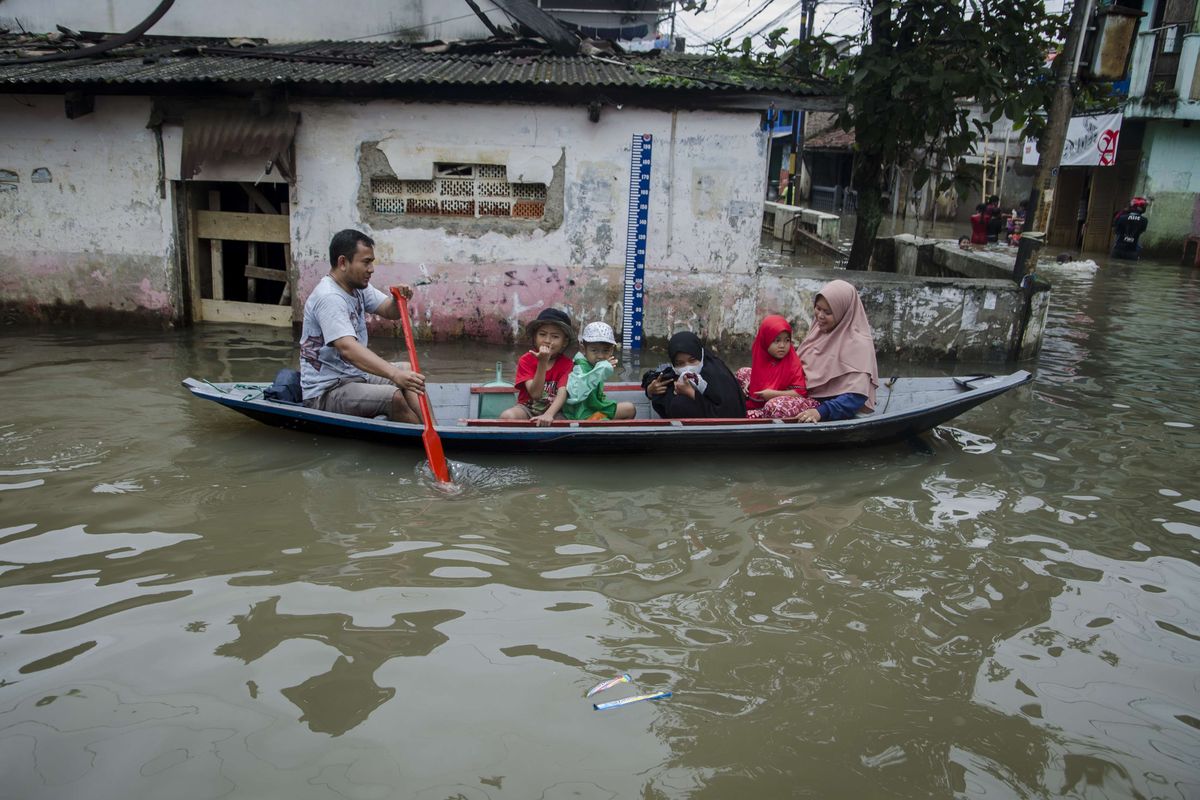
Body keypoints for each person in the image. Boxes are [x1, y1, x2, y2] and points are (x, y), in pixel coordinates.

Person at [299, 229, 424, 423]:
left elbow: (390, 312)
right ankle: (419, 442)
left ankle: (436, 432)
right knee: (394, 397)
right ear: (343, 262)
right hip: (327, 390)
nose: (371, 269)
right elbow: (348, 349)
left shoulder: (357, 287)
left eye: (371, 262)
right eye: (366, 262)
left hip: (353, 376)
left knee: (410, 372)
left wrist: (398, 300)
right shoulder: (329, 297)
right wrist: (394, 374)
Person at [793, 279, 879, 423]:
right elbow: (794, 365)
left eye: (827, 312)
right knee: (745, 374)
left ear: (842, 312)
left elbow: (856, 396)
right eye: (818, 308)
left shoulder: (859, 344)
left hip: (825, 406)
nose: (820, 316)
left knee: (776, 406)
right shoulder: (819, 330)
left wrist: (820, 412)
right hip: (801, 390)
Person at [643, 331, 746, 419]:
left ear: (700, 355)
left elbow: (731, 412)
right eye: (680, 363)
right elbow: (656, 379)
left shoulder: (717, 374)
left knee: (680, 403)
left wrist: (691, 393)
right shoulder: (674, 374)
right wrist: (651, 390)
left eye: (692, 360)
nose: (687, 367)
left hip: (722, 431)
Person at [501, 308, 575, 426]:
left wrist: (549, 414)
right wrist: (542, 363)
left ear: (564, 342)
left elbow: (562, 393)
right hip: (527, 408)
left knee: (566, 423)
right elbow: (535, 394)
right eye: (542, 334)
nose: (547, 340)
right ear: (535, 337)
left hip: (555, 410)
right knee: (507, 416)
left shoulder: (568, 364)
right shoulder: (526, 360)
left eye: (555, 337)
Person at [735, 315, 820, 419]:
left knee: (772, 407)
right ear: (765, 341)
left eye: (787, 340)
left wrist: (773, 394)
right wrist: (752, 383)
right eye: (777, 340)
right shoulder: (762, 354)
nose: (782, 345)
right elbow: (762, 374)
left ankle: (765, 415)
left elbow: (801, 392)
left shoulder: (791, 361)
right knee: (742, 372)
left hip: (787, 400)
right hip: (767, 395)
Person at [563, 322, 636, 421]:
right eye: (594, 350)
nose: (600, 356)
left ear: (611, 350)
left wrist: (601, 368)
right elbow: (575, 395)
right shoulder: (579, 366)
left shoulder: (597, 365)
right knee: (605, 421)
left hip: (596, 408)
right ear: (583, 349)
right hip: (582, 414)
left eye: (605, 351)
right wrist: (600, 369)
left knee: (630, 409)